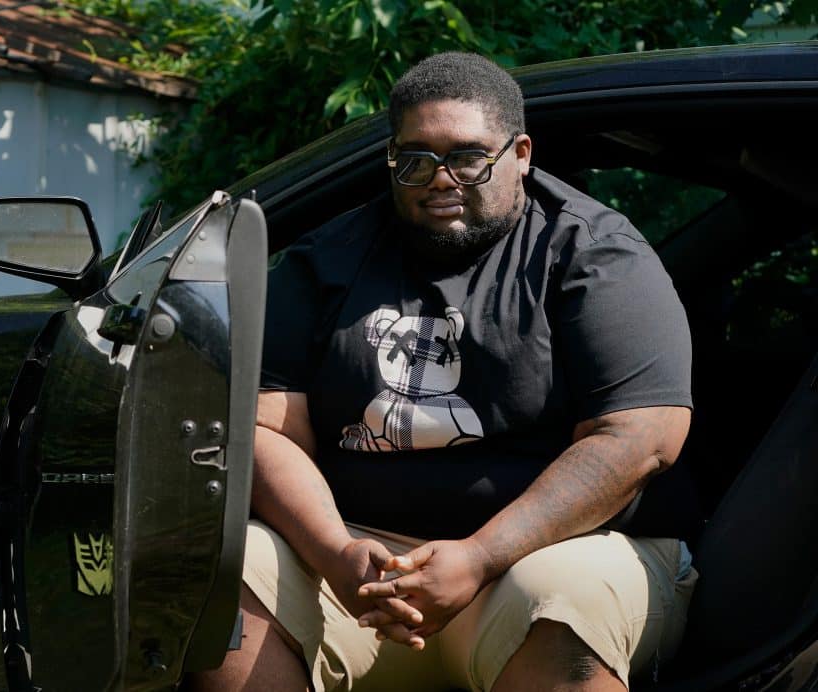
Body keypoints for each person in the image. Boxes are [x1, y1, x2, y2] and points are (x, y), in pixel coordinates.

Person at [188, 52, 697, 692]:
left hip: (549, 557)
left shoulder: (591, 252)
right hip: (361, 570)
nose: (440, 179)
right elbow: (269, 429)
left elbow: (642, 437)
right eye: (416, 159)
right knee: (225, 573)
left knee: (562, 599)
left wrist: (480, 557)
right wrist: (336, 553)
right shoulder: (325, 261)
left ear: (520, 154)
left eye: (467, 157)